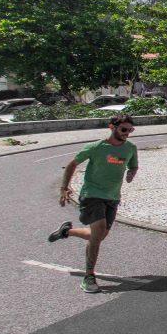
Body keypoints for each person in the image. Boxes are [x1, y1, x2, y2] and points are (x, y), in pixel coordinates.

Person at [47, 114, 139, 293]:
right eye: (124, 129)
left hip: (112, 197)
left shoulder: (130, 148)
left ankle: (66, 231)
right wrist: (64, 188)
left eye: (130, 130)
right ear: (112, 127)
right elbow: (72, 164)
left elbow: (133, 165)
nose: (127, 133)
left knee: (99, 236)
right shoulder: (96, 147)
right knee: (98, 233)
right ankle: (89, 276)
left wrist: (131, 173)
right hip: (92, 195)